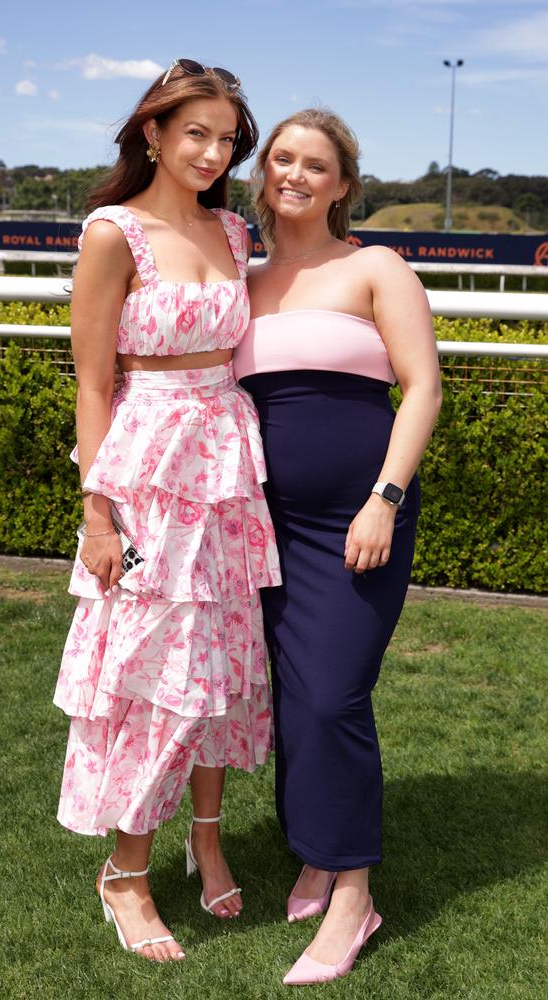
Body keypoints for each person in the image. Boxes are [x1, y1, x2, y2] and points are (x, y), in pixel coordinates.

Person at [53, 60, 281, 964]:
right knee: (153, 671)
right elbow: (92, 379)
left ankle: (209, 837)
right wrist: (98, 512)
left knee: (224, 660)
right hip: (147, 472)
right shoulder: (114, 234)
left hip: (228, 468)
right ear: (152, 133)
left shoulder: (235, 229)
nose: (213, 151)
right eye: (196, 132)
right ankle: (126, 872)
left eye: (227, 138)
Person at [234, 108, 442, 985]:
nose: (296, 174)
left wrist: (384, 500)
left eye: (316, 164)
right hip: (258, 524)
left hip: (358, 520)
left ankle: (354, 896)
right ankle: (315, 849)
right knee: (292, 697)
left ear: (344, 183)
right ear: (264, 171)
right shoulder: (238, 277)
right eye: (282, 158)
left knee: (332, 697)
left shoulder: (374, 266)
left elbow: (425, 385)